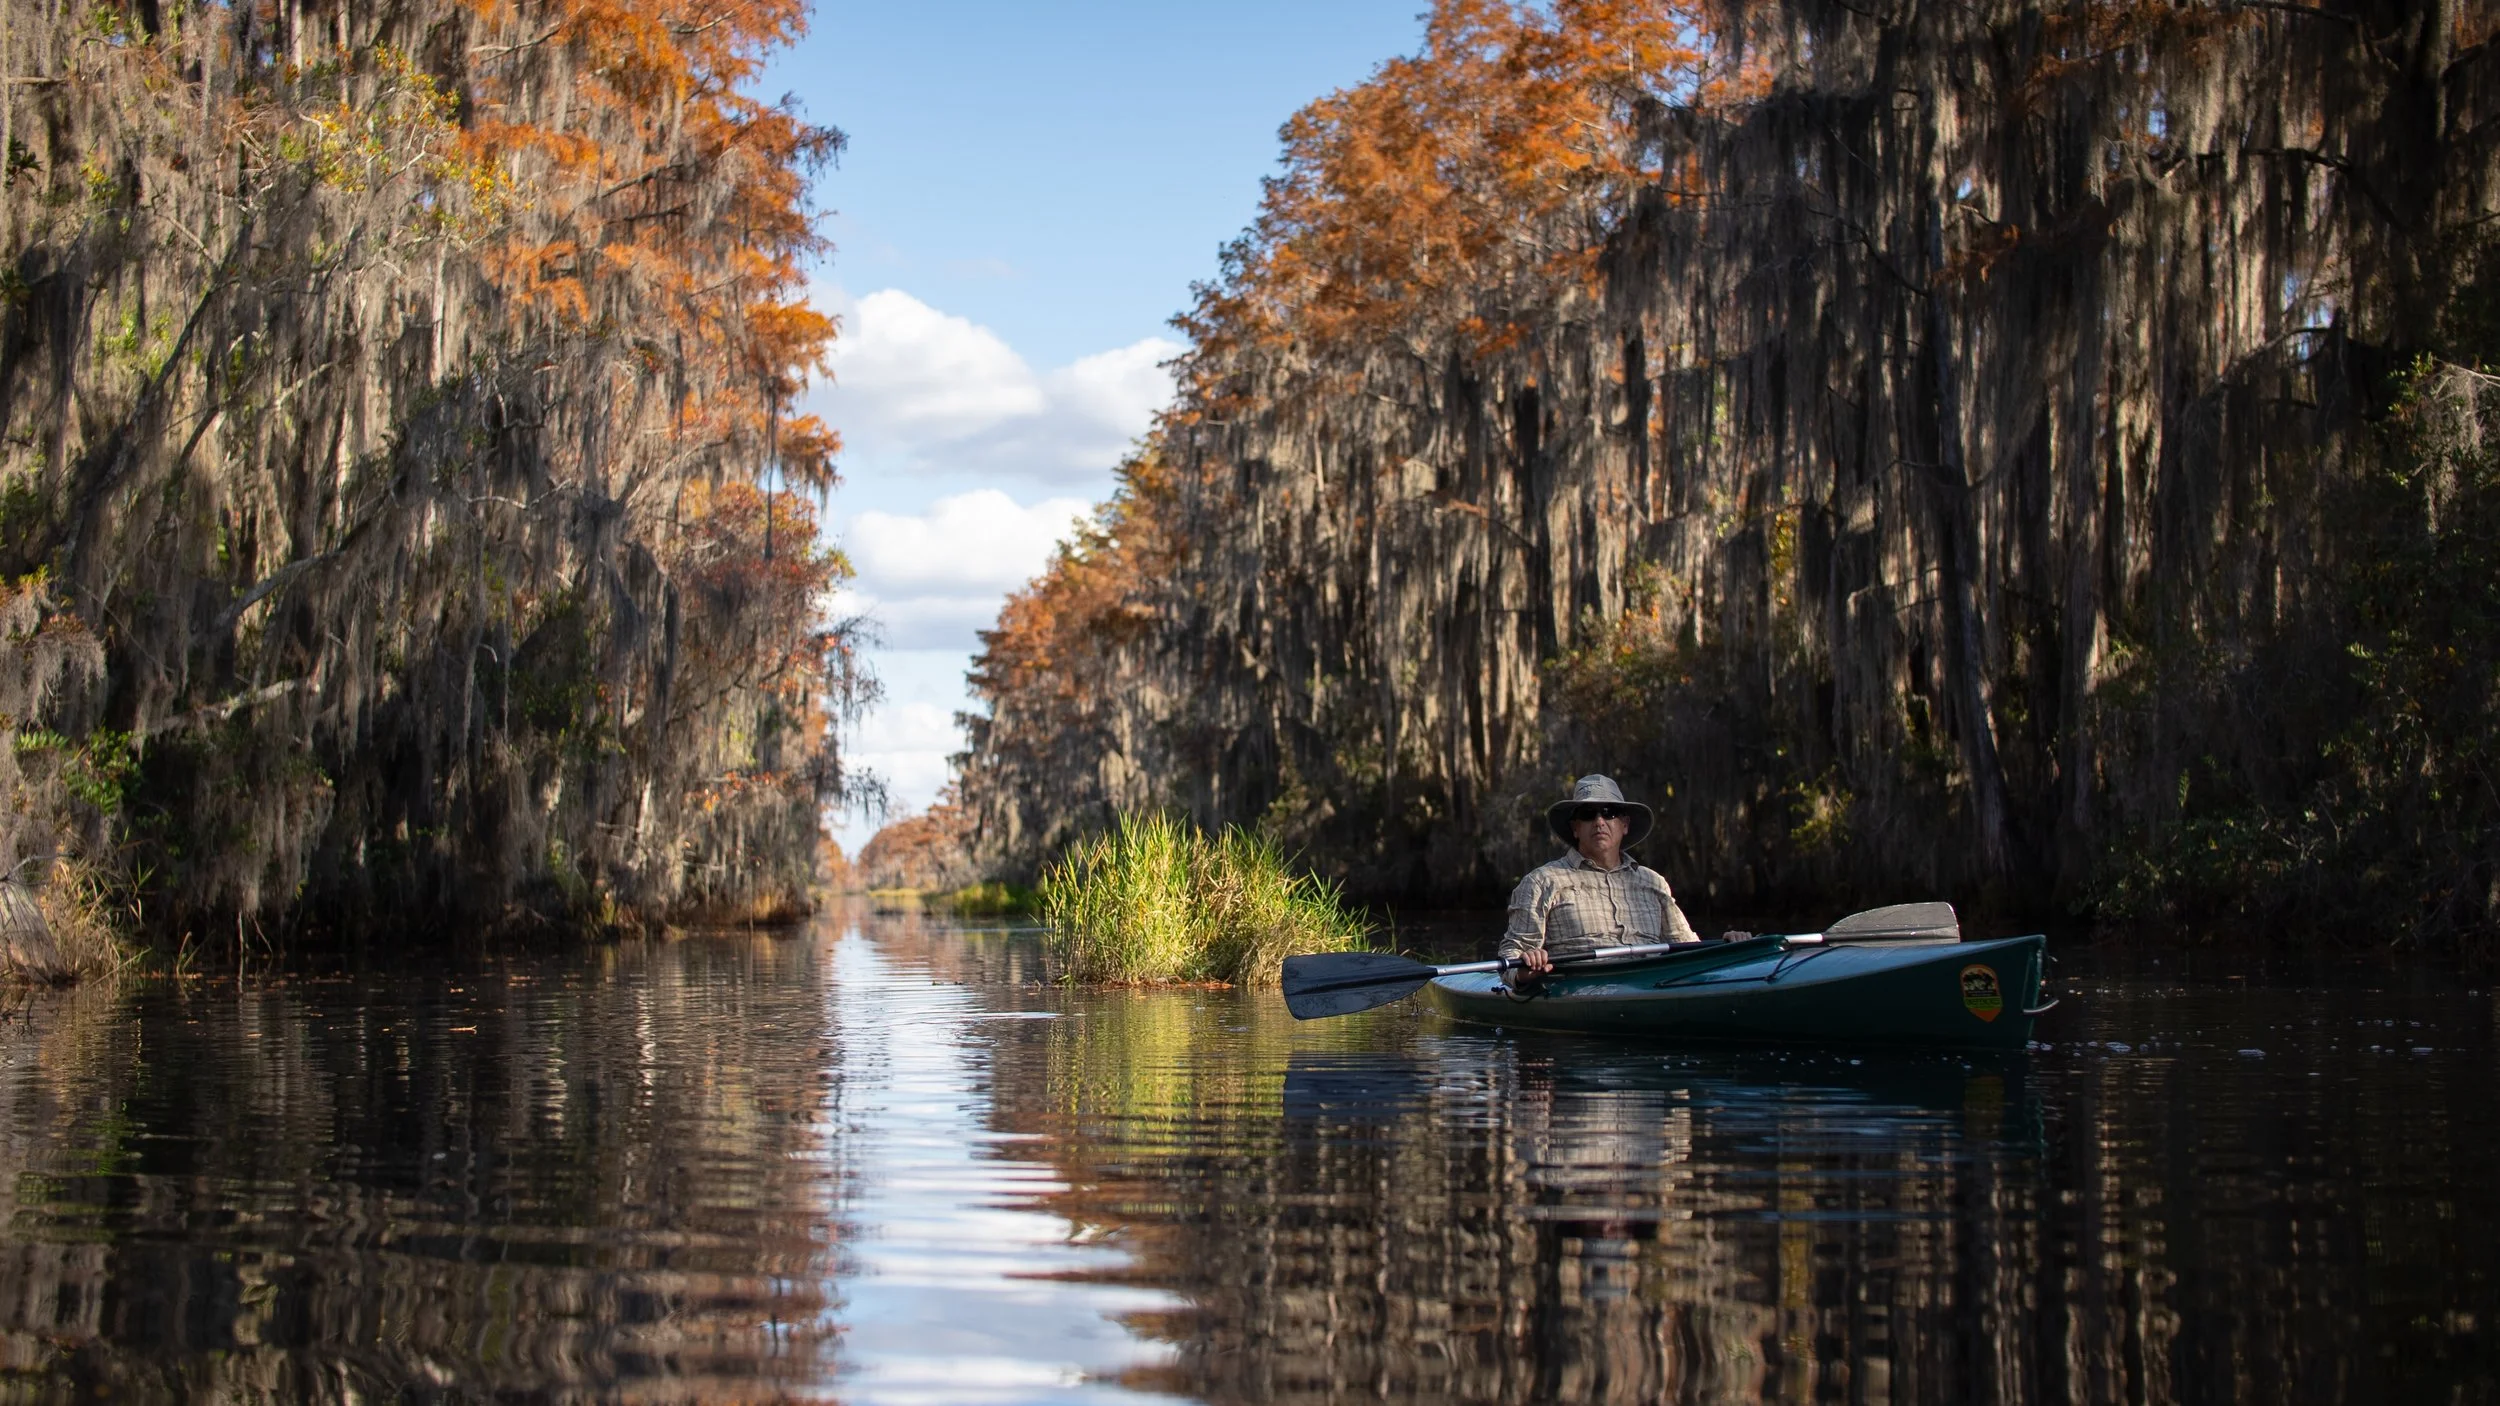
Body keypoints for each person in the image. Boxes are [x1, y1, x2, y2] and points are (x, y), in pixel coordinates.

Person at [1500, 774, 1702, 987]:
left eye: (1609, 813)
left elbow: (1689, 949)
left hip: (1651, 985)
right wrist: (1526, 969)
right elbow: (1512, 953)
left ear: (1624, 825)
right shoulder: (1541, 882)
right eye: (1588, 815)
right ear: (1575, 828)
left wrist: (1732, 943)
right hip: (1581, 988)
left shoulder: (1653, 882)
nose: (1599, 822)